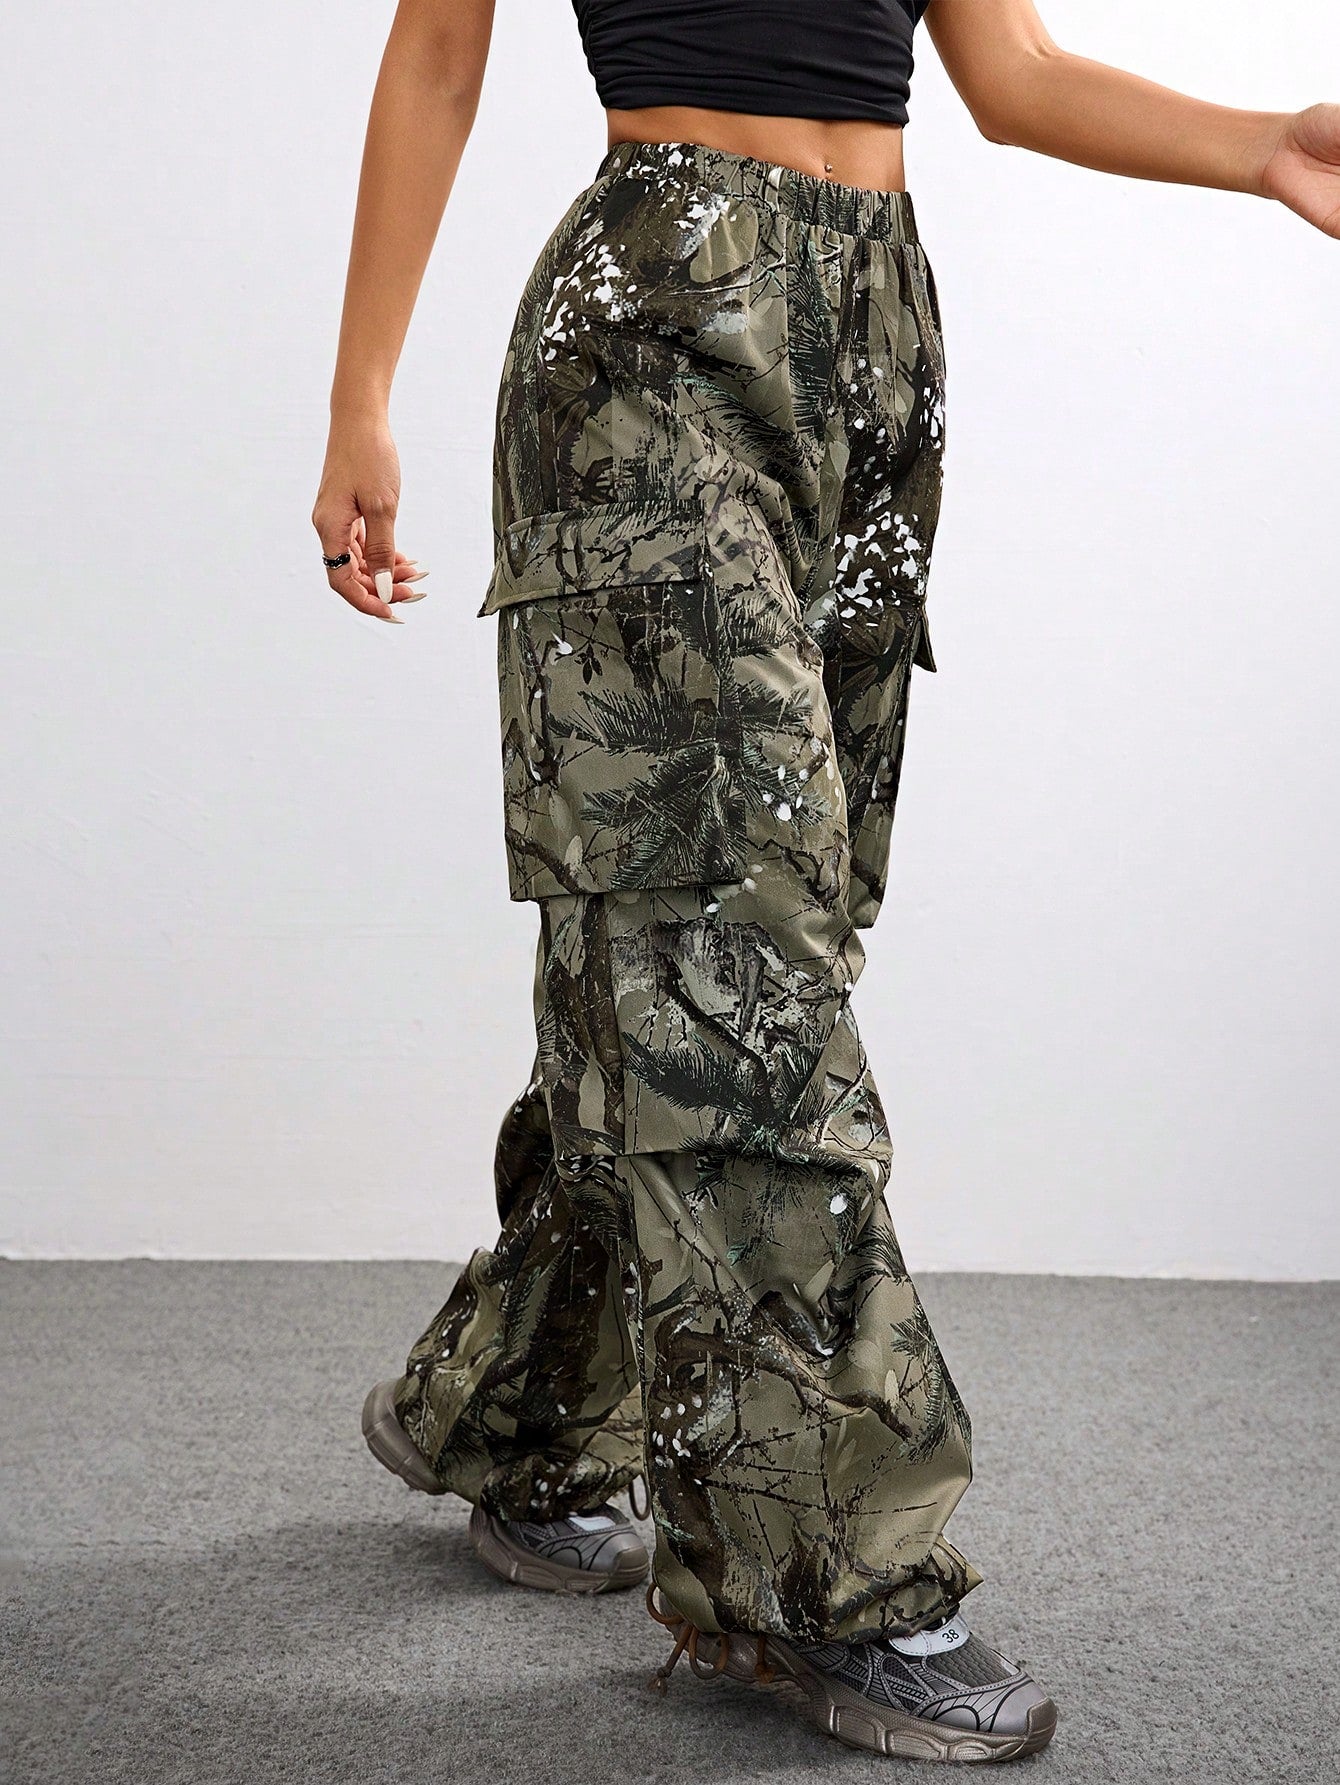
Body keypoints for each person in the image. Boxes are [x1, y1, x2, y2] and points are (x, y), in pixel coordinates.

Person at [313, 0, 1336, 1764]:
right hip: (648, 344)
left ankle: (519, 1411)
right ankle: (824, 1575)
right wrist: (360, 403)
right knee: (733, 957)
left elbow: (1011, 76)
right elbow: (436, 56)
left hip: (873, 347)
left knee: (737, 935)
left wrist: (1263, 149)